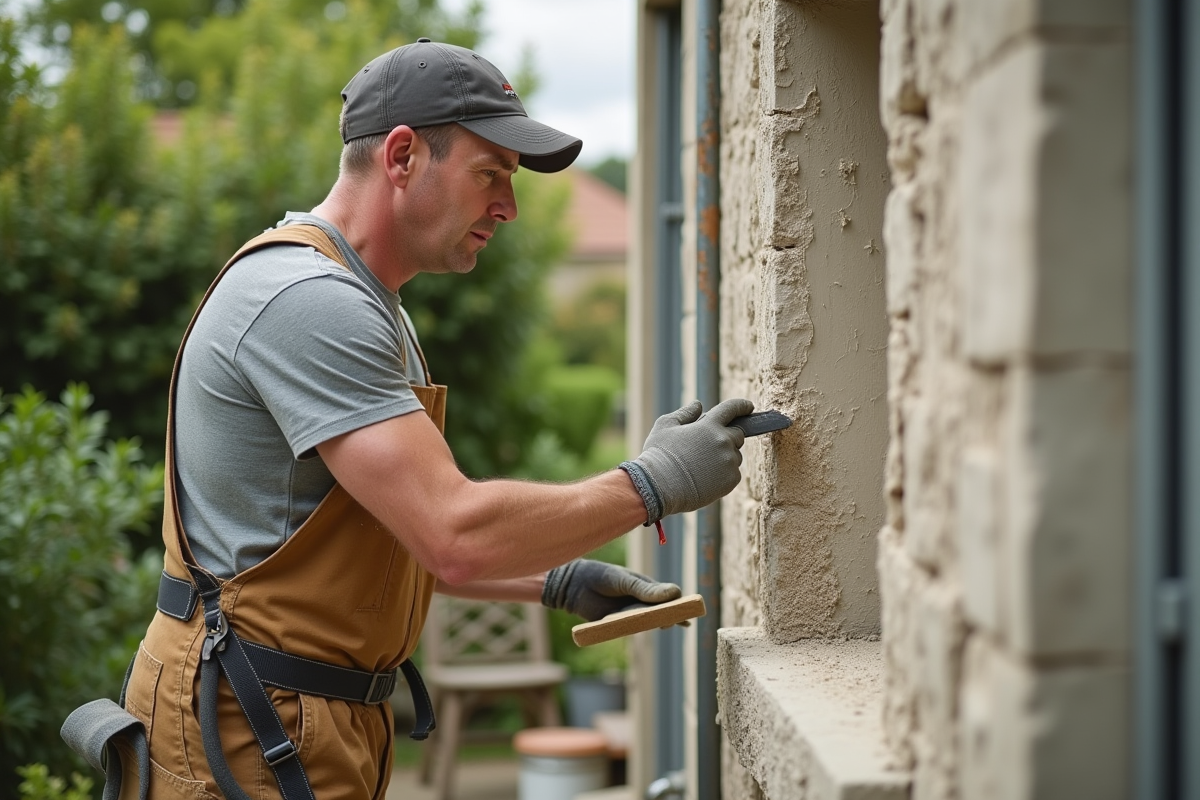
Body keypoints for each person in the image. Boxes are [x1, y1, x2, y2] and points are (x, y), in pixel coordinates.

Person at [66, 39, 753, 800]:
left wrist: (554, 581)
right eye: (490, 174)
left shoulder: (373, 306)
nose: (509, 207)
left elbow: (392, 534)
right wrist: (653, 482)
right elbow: (452, 534)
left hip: (302, 713)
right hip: (245, 718)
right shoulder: (308, 300)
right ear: (401, 156)